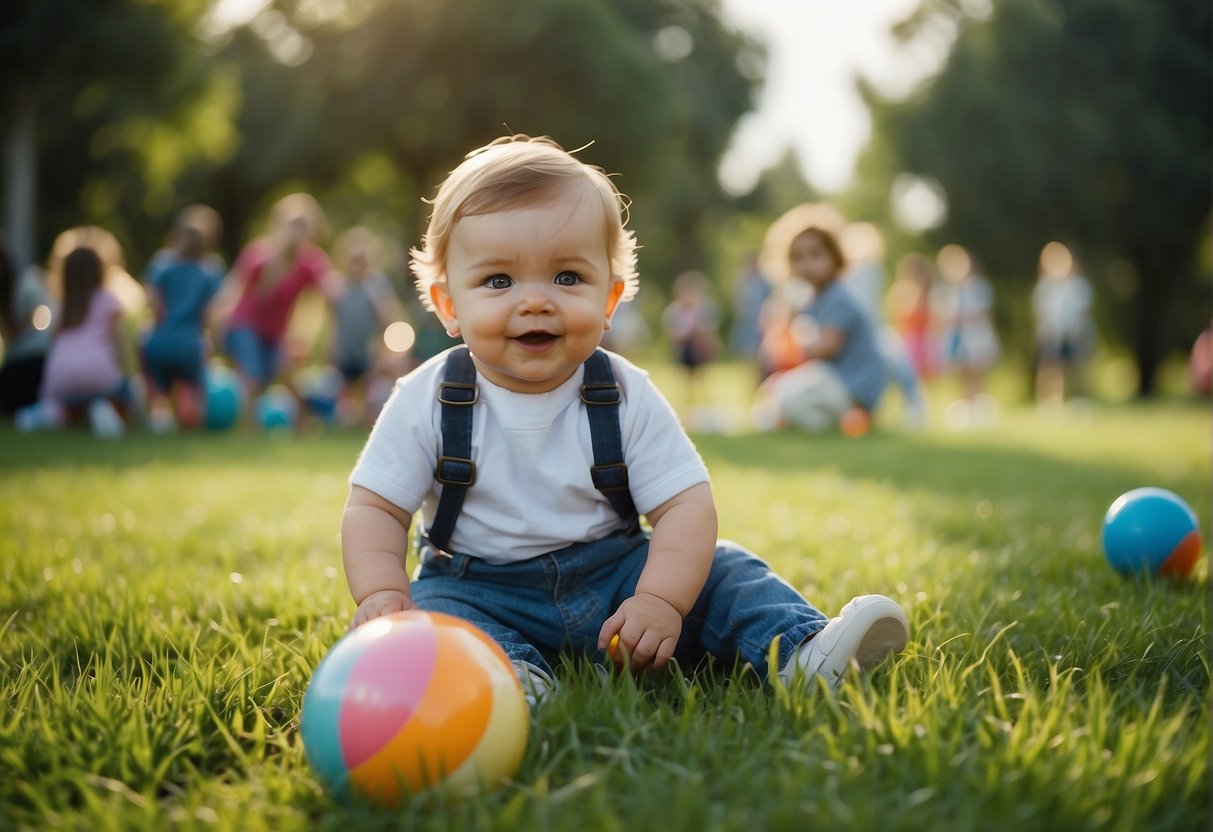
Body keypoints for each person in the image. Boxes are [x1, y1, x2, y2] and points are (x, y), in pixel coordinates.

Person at [340, 136, 908, 703]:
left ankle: (802, 652)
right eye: (498, 281)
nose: (535, 301)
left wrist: (660, 599)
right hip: (478, 587)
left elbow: (686, 504)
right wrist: (383, 591)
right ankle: (508, 681)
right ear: (447, 305)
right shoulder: (427, 397)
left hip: (618, 578)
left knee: (725, 569)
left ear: (610, 299)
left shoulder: (623, 393)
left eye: (567, 277)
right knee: (436, 613)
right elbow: (376, 506)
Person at [754, 204, 888, 433]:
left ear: (835, 257)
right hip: (835, 384)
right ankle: (835, 422)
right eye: (797, 258)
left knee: (785, 395)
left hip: (853, 385)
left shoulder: (837, 296)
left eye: (815, 255)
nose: (806, 265)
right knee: (781, 392)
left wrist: (798, 332)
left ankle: (846, 415)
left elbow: (826, 347)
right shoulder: (813, 299)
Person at [212, 193, 343, 411]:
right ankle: (247, 430)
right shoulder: (260, 254)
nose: (297, 231)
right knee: (252, 376)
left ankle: (300, 422)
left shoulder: (310, 261)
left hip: (275, 332)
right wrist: (218, 318)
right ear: (279, 224)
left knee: (276, 377)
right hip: (244, 324)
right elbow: (232, 289)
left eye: (304, 226)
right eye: (293, 224)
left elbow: (332, 289)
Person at [16, 245, 134, 436]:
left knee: (67, 403)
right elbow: (118, 345)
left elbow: (53, 343)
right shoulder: (107, 300)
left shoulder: (61, 306)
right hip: (98, 373)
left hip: (59, 378)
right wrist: (126, 375)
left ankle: (47, 415)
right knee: (124, 393)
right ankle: (103, 411)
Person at [140, 205, 226, 431]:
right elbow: (211, 314)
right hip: (190, 343)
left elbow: (153, 305)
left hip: (159, 341)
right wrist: (215, 343)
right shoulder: (211, 268)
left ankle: (159, 418)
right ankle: (194, 421)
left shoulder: (162, 264)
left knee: (158, 390)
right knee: (195, 385)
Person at [840, 221, 926, 428]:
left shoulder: (872, 271)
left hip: (874, 331)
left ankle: (914, 408)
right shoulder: (845, 275)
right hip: (856, 335)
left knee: (899, 365)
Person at [328, 226, 405, 425]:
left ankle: (366, 417)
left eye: (360, 262)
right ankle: (348, 417)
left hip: (367, 349)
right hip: (346, 347)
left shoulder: (375, 285)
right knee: (345, 390)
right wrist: (333, 345)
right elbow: (334, 321)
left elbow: (387, 320)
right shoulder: (339, 286)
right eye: (352, 261)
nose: (356, 267)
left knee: (371, 387)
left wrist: (384, 350)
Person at [931, 244, 1000, 427]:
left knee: (977, 372)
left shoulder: (978, 287)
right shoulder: (944, 291)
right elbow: (940, 316)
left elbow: (984, 313)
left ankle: (978, 407)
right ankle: (966, 407)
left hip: (976, 337)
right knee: (962, 374)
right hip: (956, 339)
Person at [1031, 242, 1095, 407]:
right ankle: (1050, 402)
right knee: (1050, 368)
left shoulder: (1078, 286)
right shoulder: (1044, 287)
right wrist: (1041, 333)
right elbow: (1040, 315)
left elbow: (1083, 313)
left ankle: (1078, 400)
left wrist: (1081, 334)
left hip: (1075, 333)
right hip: (1052, 334)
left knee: (1077, 367)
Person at [0, 241, 53, 417]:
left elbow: (44, 318)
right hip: (18, 360)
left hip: (38, 357)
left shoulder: (27, 285)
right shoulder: (6, 296)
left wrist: (25, 324)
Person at [661, 269, 721, 419]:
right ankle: (688, 407)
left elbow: (710, 329)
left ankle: (706, 408)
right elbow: (672, 332)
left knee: (703, 377)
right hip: (685, 347)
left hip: (699, 347)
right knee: (686, 379)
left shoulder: (704, 309)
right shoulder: (675, 311)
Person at [888, 252, 937, 380]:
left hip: (925, 337)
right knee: (910, 374)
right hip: (908, 338)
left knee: (926, 376)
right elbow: (902, 313)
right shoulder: (902, 291)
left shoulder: (929, 293)